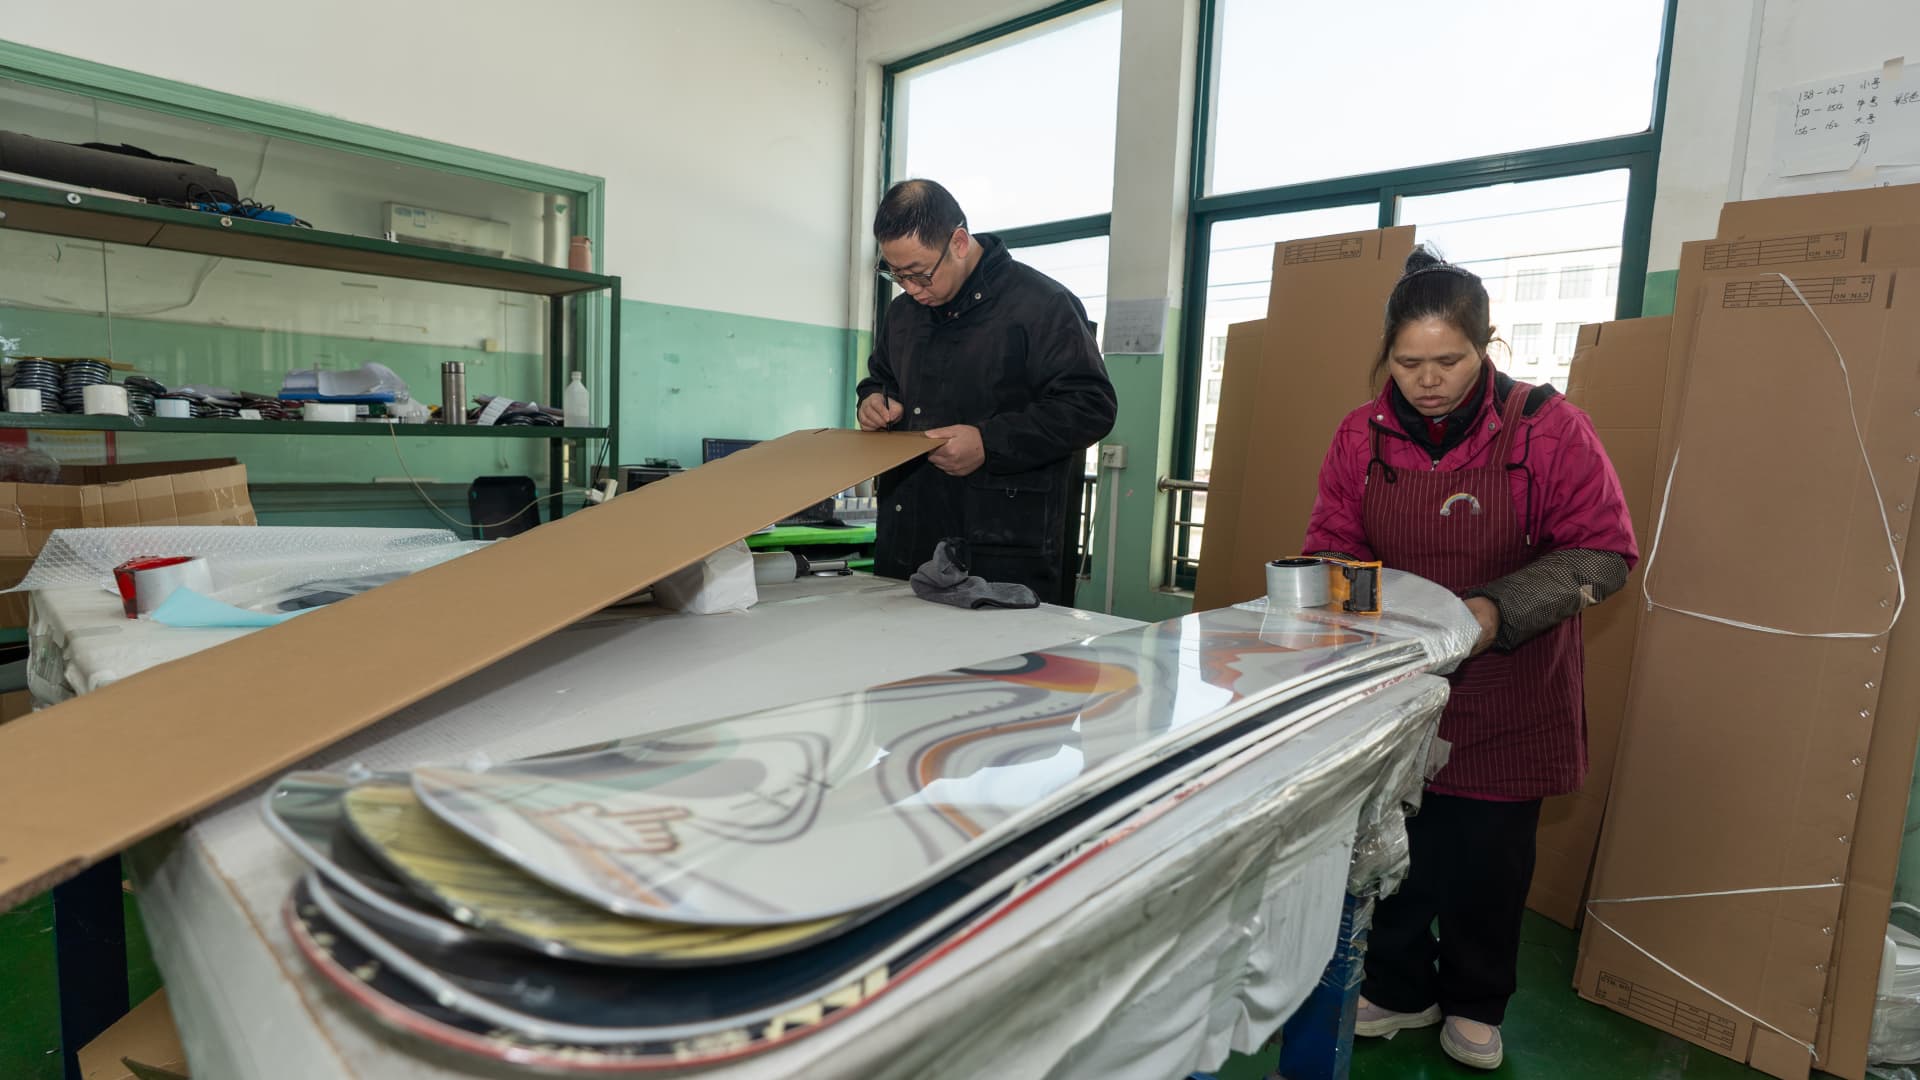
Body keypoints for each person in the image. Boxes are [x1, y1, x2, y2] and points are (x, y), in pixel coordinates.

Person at [1301, 248, 1637, 1070]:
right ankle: (1400, 987)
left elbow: (1603, 552)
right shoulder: (1360, 435)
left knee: (1490, 858)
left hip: (1511, 682)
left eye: (1448, 361)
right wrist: (1374, 624)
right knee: (1396, 848)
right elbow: (1332, 544)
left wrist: (1491, 612)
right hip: (1402, 680)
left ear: (1486, 345)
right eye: (1407, 363)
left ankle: (1477, 1002)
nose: (1427, 381)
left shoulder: (1547, 428)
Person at [856, 179, 1117, 605]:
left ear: (959, 242)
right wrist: (872, 401)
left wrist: (988, 443)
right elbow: (880, 378)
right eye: (896, 275)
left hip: (999, 551)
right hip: (908, 538)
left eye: (919, 274)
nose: (910, 289)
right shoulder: (904, 313)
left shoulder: (1042, 305)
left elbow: (1091, 406)